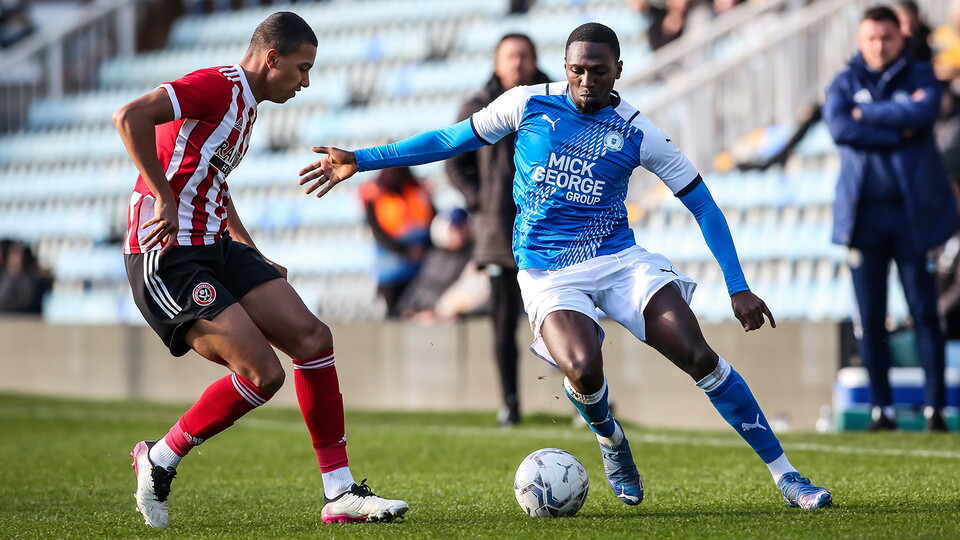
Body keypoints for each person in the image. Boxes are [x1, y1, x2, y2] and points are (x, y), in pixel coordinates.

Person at [298, 22, 832, 510]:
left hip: (619, 260)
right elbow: (448, 139)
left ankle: (786, 475)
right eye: (577, 69)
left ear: (618, 70)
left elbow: (703, 204)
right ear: (565, 64)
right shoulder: (527, 105)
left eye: (599, 71)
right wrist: (362, 159)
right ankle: (609, 439)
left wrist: (737, 286)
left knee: (697, 354)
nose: (585, 80)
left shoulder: (638, 131)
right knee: (582, 366)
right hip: (548, 270)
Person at [113, 11, 408, 529]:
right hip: (167, 253)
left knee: (313, 338)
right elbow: (130, 116)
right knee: (263, 373)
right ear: (271, 58)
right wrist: (161, 196)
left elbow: (211, 181)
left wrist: (250, 250)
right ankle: (158, 459)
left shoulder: (246, 107)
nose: (306, 81)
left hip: (215, 246)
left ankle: (339, 493)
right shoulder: (217, 86)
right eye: (301, 68)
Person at [823, 6, 955, 432]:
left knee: (925, 312)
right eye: (872, 38)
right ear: (860, 41)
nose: (880, 45)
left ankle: (936, 409)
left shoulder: (921, 77)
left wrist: (870, 116)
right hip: (864, 219)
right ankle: (884, 409)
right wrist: (899, 127)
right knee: (871, 315)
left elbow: (923, 113)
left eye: (887, 37)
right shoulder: (844, 82)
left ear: (901, 38)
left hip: (915, 217)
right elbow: (842, 129)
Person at [446, 33, 551, 426]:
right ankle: (511, 402)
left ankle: (583, 398)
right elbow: (455, 164)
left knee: (560, 315)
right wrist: (480, 201)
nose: (518, 63)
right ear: (496, 63)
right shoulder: (478, 107)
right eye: (510, 56)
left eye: (524, 55)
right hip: (498, 233)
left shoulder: (554, 100)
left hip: (546, 228)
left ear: (535, 59)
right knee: (504, 324)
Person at [359, 166, 435, 317]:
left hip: (420, 262)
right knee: (394, 311)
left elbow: (433, 219)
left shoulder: (418, 190)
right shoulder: (375, 195)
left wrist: (423, 248)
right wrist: (404, 250)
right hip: (391, 265)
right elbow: (377, 232)